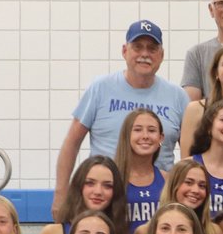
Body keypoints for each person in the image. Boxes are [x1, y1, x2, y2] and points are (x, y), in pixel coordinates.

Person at [53, 20, 185, 219]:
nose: (145, 54)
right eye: (137, 47)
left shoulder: (177, 96)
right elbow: (72, 142)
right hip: (105, 197)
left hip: (157, 200)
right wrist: (61, 194)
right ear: (124, 51)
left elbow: (192, 153)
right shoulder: (101, 88)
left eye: (152, 48)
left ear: (161, 55)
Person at [37, 156, 129, 234]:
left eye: (107, 186)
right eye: (90, 183)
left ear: (116, 192)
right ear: (79, 186)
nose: (98, 192)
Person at [131, 158, 220, 234]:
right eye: (188, 182)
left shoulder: (214, 233)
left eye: (202, 186)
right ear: (173, 185)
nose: (196, 190)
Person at [115, 109, 166, 233]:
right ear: (126, 135)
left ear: (161, 138)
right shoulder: (112, 178)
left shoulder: (168, 179)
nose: (145, 136)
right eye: (138, 130)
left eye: (152, 130)